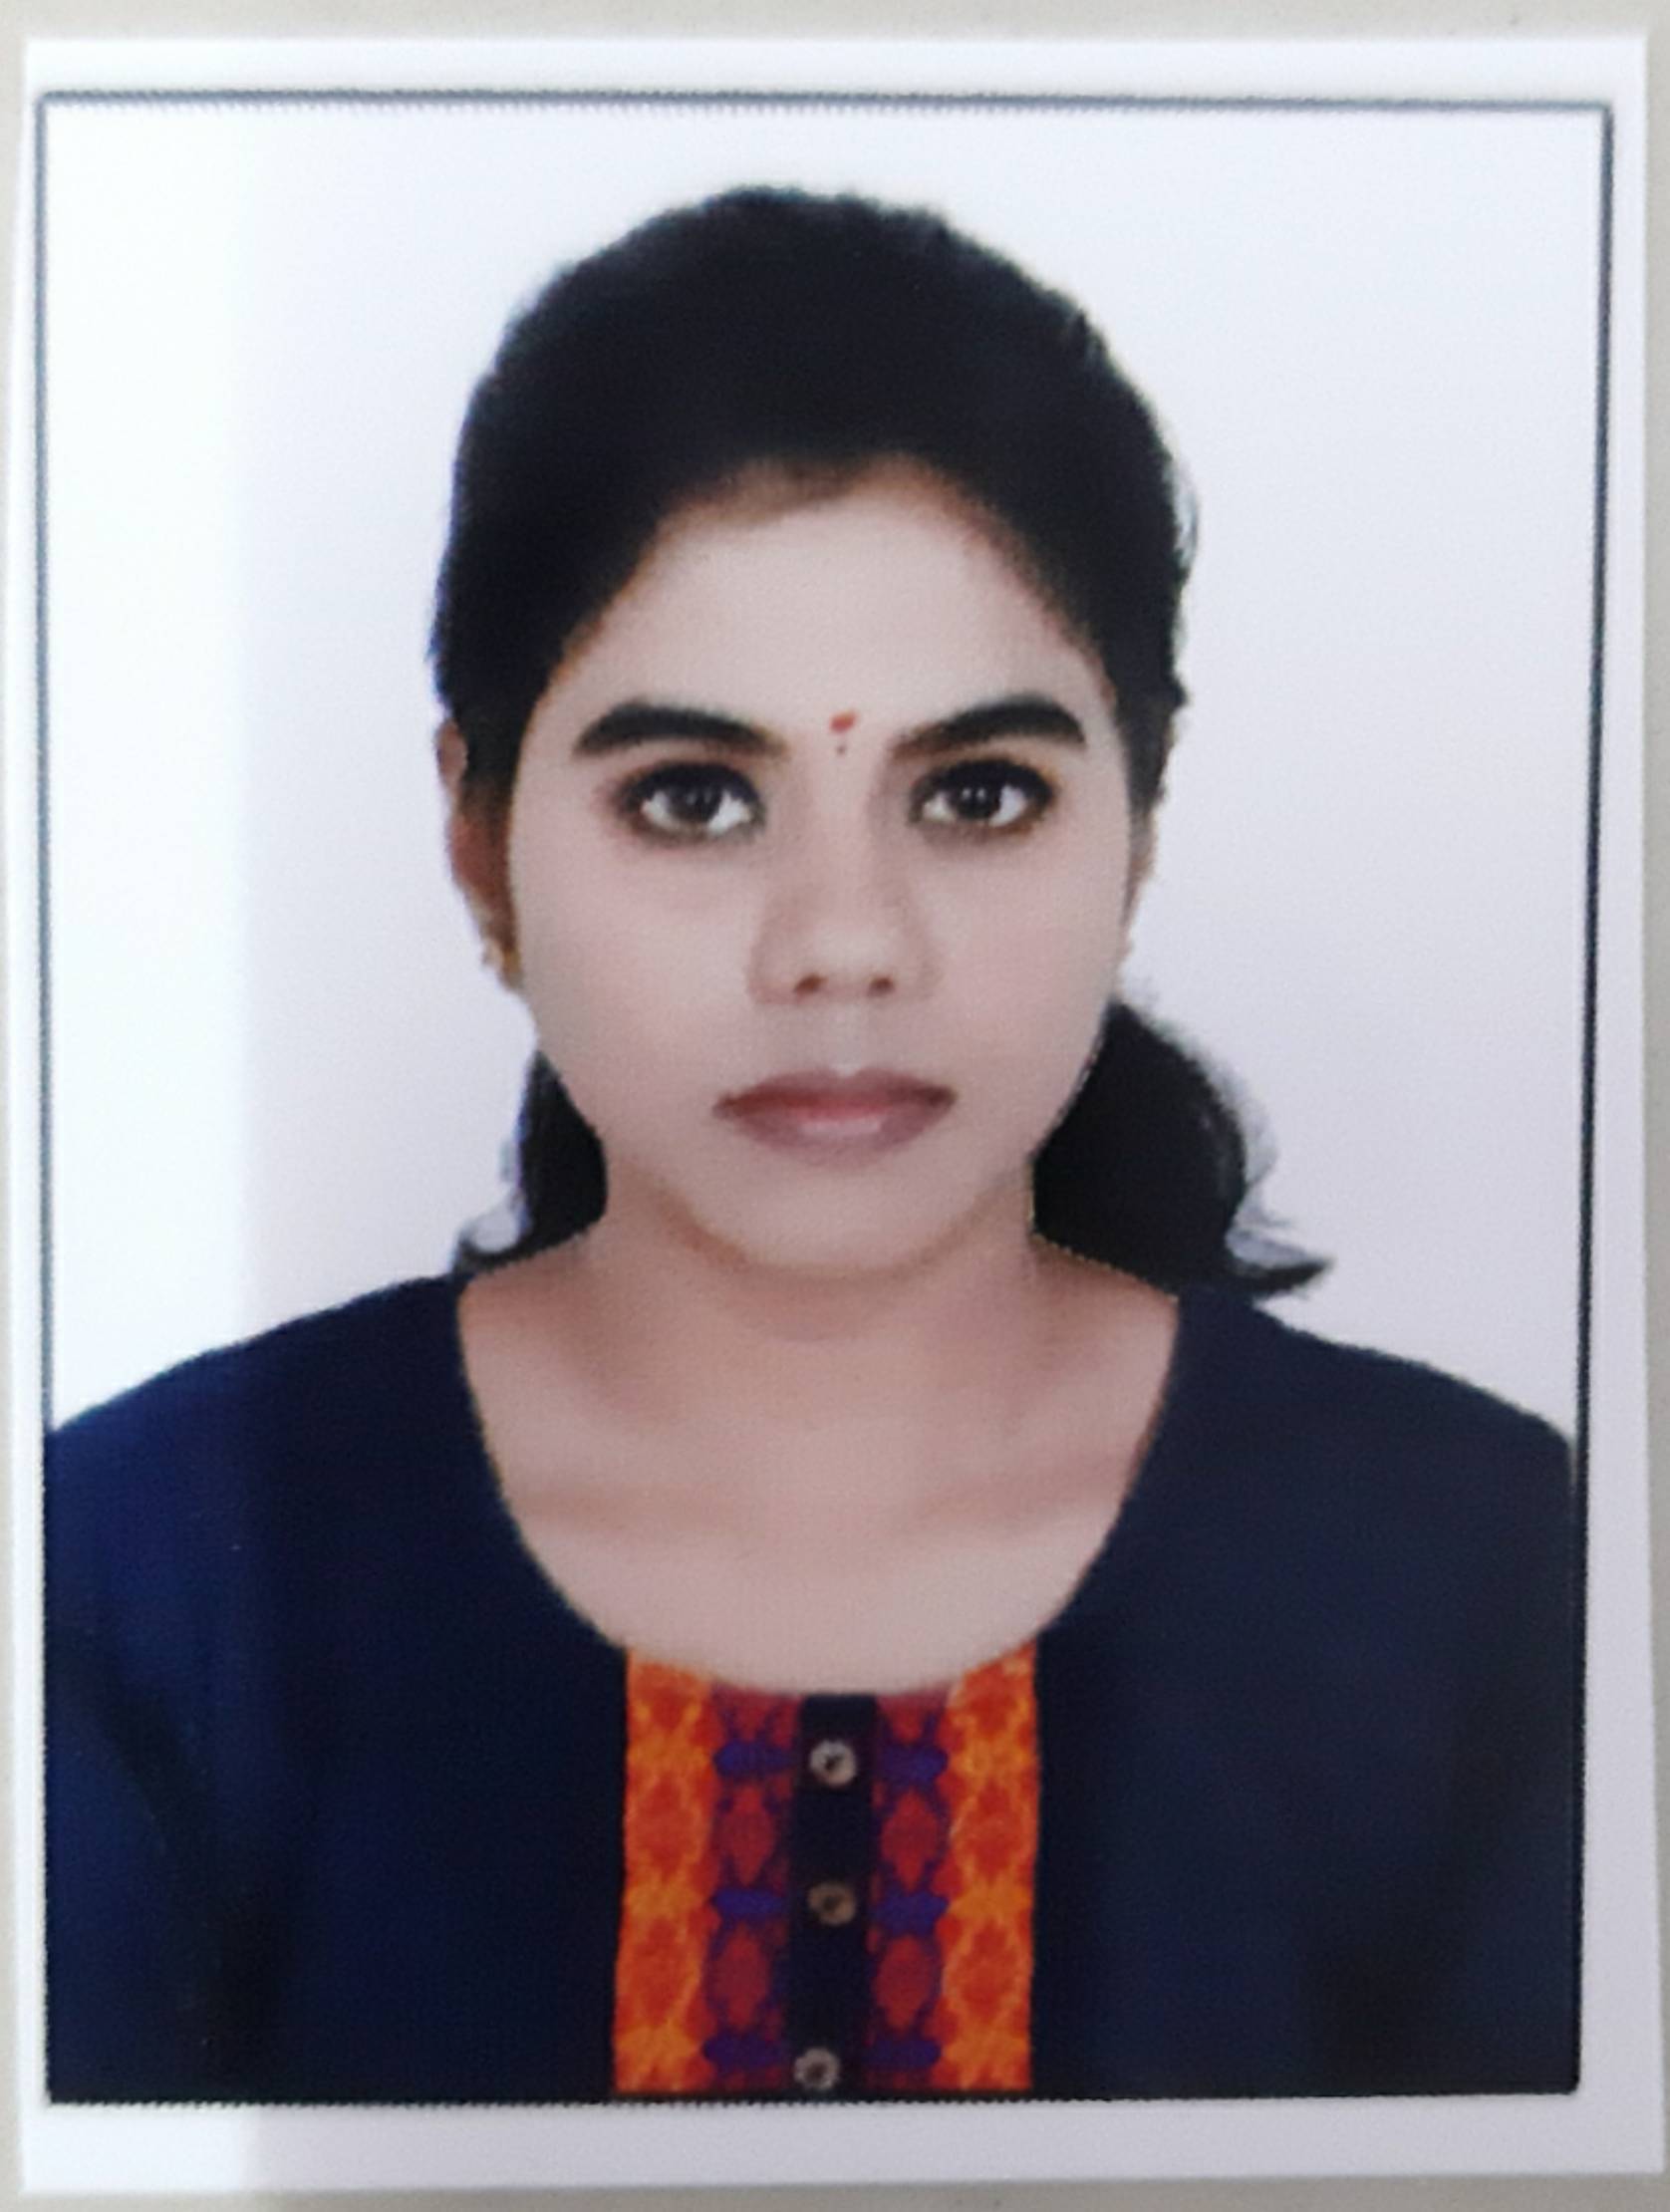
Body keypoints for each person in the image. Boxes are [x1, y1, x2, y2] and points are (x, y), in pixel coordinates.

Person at [44, 187, 1578, 2105]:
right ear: (480, 841)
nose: (844, 944)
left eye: (979, 792)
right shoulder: (142, 1580)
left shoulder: (1497, 1578)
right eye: (695, 797)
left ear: (1142, 818)